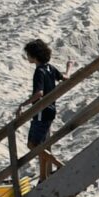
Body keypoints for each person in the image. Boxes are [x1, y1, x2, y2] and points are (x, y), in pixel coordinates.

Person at [23, 37, 64, 167]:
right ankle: (43, 177)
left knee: (32, 145)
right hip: (51, 109)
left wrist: (23, 105)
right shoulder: (50, 68)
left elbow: (39, 93)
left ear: (34, 56)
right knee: (42, 145)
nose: (27, 57)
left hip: (41, 111)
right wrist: (69, 67)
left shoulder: (39, 71)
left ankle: (58, 164)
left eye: (28, 55)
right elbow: (65, 77)